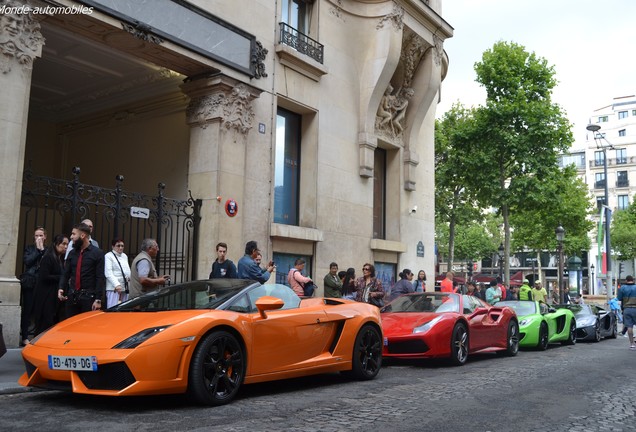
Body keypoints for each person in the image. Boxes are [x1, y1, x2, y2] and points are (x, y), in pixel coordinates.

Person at [58, 223, 105, 318]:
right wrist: (61, 288)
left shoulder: (98, 253)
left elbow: (100, 277)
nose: (71, 237)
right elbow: (66, 273)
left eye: (74, 234)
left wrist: (98, 299)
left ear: (82, 236)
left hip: (89, 298)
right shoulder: (72, 253)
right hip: (72, 296)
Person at [33, 234, 68, 336]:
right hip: (45, 297)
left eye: (67, 244)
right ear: (56, 244)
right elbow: (44, 276)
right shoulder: (48, 257)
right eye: (63, 244)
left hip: (53, 296)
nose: (65, 247)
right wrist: (61, 277)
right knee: (45, 323)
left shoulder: (60, 259)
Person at [20, 226, 47, 345]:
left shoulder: (47, 250)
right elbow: (28, 261)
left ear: (45, 237)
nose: (38, 238)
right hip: (30, 282)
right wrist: (38, 251)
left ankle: (38, 336)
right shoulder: (30, 248)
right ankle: (25, 336)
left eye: (41, 235)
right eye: (36, 235)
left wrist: (42, 251)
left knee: (40, 310)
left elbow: (47, 263)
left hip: (41, 283)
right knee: (28, 309)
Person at [104, 238, 131, 308]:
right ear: (113, 247)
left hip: (125, 287)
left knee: (124, 309)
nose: (121, 248)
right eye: (118, 246)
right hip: (114, 288)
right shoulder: (108, 256)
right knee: (113, 308)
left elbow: (127, 270)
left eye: (122, 246)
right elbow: (108, 272)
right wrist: (117, 284)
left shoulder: (124, 256)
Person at [617, 275, 636, 350]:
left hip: (627, 309)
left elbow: (619, 298)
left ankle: (632, 344)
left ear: (626, 280)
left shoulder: (622, 288)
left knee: (629, 327)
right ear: (633, 280)